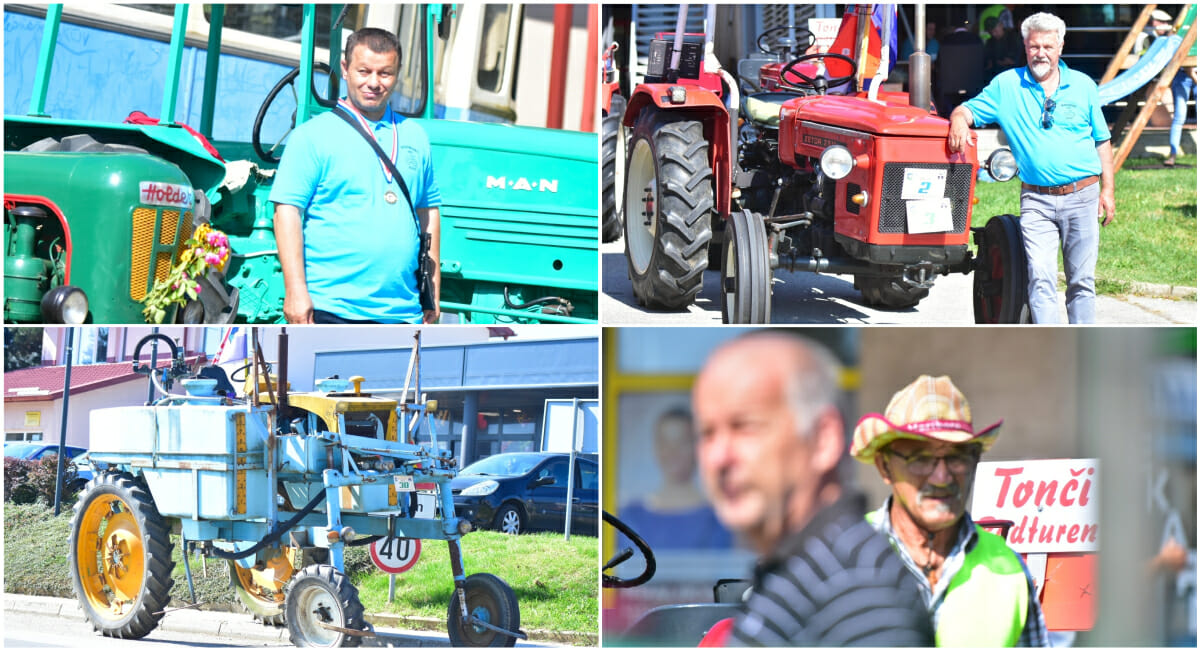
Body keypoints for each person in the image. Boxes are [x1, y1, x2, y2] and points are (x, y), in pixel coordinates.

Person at [691, 332, 933, 646]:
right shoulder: (809, 573)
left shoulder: (854, 589)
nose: (719, 457)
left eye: (746, 426)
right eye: (707, 433)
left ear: (823, 439)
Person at [851, 374, 1050, 647]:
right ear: (884, 466)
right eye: (920, 459)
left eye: (957, 457)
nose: (942, 477)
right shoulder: (841, 557)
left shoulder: (1008, 569)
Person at [948, 12, 1115, 324]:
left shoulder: (1082, 86)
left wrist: (1108, 190)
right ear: (1025, 46)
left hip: (1083, 195)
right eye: (1034, 46)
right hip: (1036, 201)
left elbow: (1102, 141)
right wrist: (958, 118)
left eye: (1048, 47)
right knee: (1040, 278)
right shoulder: (1006, 86)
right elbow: (968, 109)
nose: (1041, 53)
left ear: (1060, 47)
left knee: (1081, 281)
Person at [270, 27, 442, 324]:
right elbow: (287, 212)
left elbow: (428, 214)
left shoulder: (415, 136)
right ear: (346, 69)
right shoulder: (312, 136)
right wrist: (295, 290)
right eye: (364, 71)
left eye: (385, 73)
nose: (374, 82)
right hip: (333, 308)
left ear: (397, 73)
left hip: (403, 313)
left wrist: (433, 292)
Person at [620, 407, 731, 550]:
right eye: (665, 443)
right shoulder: (632, 516)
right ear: (656, 447)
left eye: (682, 442)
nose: (673, 452)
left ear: (697, 447)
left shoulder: (719, 517)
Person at [983, 15, 1024, 81]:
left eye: (995, 31)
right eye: (990, 32)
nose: (993, 34)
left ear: (1001, 25)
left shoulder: (1013, 38)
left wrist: (1011, 61)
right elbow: (988, 61)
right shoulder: (990, 42)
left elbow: (1019, 58)